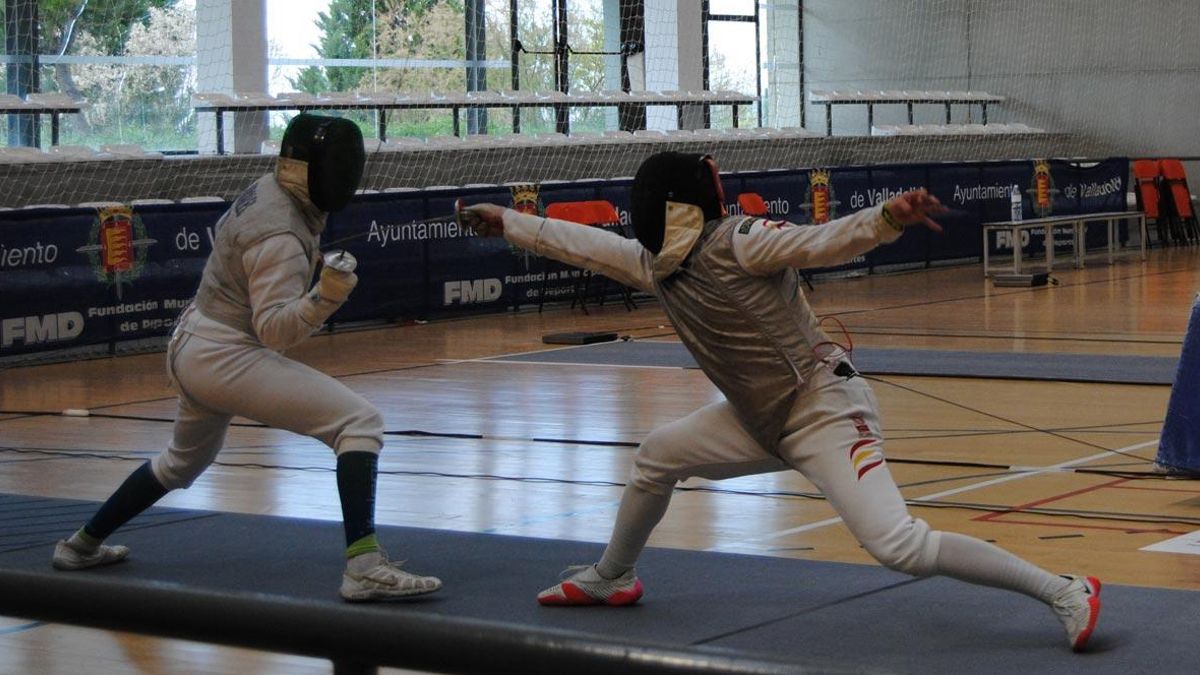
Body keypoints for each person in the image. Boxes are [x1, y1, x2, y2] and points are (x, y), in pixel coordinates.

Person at [458, 151, 1100, 650]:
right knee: (658, 456)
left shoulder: (741, 240)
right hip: (758, 416)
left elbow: (817, 241)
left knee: (896, 544)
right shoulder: (652, 265)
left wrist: (883, 221)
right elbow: (577, 244)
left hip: (824, 408)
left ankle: (1065, 588)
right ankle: (613, 576)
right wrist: (507, 220)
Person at [52, 113, 442, 602]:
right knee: (359, 423)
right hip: (223, 354)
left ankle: (80, 545)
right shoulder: (279, 235)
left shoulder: (272, 190)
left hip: (195, 342)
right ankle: (363, 566)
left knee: (180, 464)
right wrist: (328, 294)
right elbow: (276, 332)